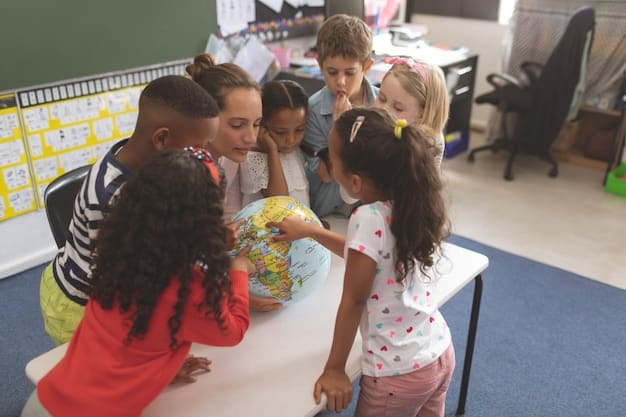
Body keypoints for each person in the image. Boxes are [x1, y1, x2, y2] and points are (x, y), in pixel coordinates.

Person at [22, 148, 253, 417]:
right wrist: (238, 270)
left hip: (43, 401)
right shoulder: (187, 288)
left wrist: (162, 367)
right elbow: (233, 330)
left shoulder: (118, 253)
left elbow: (126, 339)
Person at [267, 108, 454, 417]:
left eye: (332, 157)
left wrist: (335, 369)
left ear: (354, 182)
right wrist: (311, 231)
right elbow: (369, 256)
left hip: (397, 374)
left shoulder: (366, 217)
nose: (327, 161)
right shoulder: (406, 203)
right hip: (438, 352)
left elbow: (354, 300)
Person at [40, 75, 221, 346]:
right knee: (100, 379)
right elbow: (134, 287)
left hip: (109, 284)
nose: (205, 158)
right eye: (197, 150)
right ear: (162, 139)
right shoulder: (116, 198)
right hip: (80, 307)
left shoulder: (144, 156)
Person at [187, 54, 282, 313]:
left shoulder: (218, 161)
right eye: (238, 125)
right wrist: (231, 291)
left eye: (257, 124)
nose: (251, 137)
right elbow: (176, 265)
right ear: (205, 117)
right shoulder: (186, 176)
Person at [302, 14, 378, 217]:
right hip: (329, 212)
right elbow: (328, 175)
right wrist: (341, 128)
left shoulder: (382, 104)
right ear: (320, 66)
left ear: (366, 67)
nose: (341, 82)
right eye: (332, 72)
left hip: (373, 212)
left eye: (350, 73)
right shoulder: (313, 111)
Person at [239, 79, 309, 207]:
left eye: (299, 130)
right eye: (281, 132)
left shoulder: (294, 152)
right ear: (262, 125)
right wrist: (272, 152)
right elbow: (279, 200)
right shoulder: (251, 157)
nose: (291, 140)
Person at [375, 57, 450, 167]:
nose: (384, 110)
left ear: (422, 114)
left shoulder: (430, 143)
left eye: (398, 108)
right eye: (382, 98)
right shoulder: (373, 123)